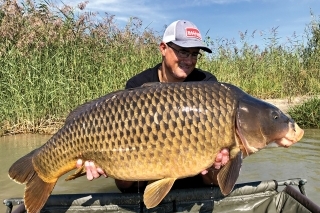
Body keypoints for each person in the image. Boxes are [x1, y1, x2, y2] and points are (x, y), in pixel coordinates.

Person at [77, 20, 230, 193]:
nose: (189, 60)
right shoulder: (138, 85)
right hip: (146, 173)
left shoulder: (207, 85)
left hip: (194, 180)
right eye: (183, 52)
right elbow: (124, 186)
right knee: (124, 181)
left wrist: (216, 166)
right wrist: (105, 162)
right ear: (163, 48)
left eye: (194, 54)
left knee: (220, 164)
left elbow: (216, 179)